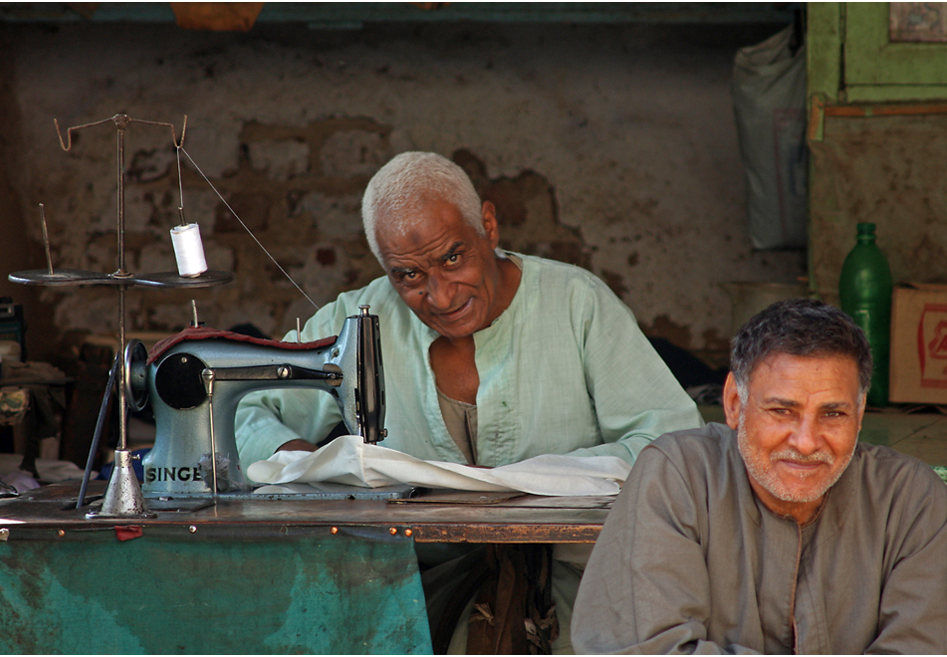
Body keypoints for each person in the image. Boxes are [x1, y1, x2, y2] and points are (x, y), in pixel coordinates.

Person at [235, 151, 703, 653]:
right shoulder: (356, 319)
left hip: (581, 586)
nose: (439, 296)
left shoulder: (576, 304)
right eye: (408, 276)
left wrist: (545, 478)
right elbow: (245, 408)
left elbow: (671, 443)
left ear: (489, 225)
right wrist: (299, 456)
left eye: (453, 258)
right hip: (418, 590)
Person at [572, 298, 947, 654]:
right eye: (782, 411)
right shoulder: (677, 476)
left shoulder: (910, 499)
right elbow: (645, 649)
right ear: (733, 404)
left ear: (860, 414)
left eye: (833, 414)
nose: (807, 442)